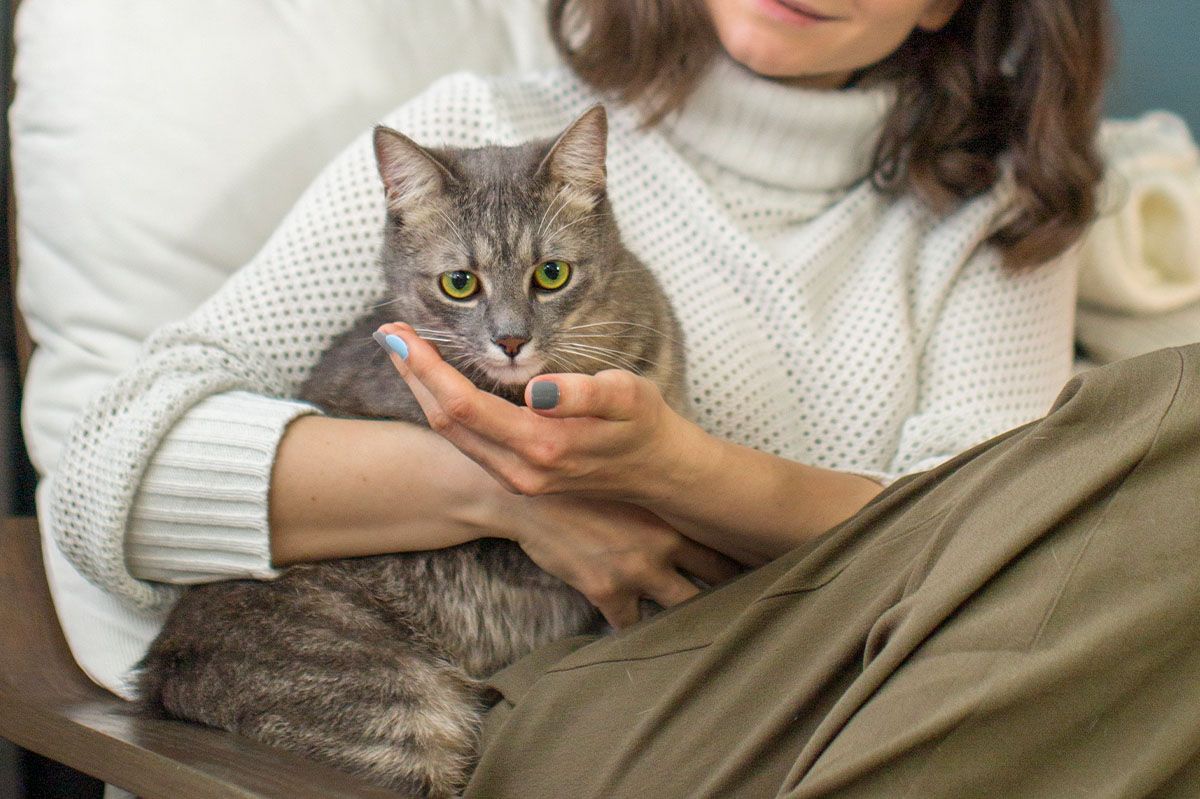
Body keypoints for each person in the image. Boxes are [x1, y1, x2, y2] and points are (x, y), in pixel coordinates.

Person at [46, 0, 1200, 795]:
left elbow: (1008, 557)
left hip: (906, 688)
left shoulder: (1008, 215)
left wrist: (680, 474)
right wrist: (513, 492)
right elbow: (104, 476)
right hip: (576, 692)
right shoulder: (482, 139)